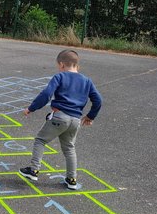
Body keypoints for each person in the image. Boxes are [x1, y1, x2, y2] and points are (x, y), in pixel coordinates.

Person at [19, 50, 102, 190]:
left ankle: (33, 170)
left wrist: (31, 108)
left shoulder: (60, 76)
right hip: (75, 120)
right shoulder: (87, 81)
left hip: (60, 116)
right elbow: (98, 100)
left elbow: (46, 94)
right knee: (69, 148)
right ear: (77, 66)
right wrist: (90, 116)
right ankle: (71, 179)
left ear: (62, 65)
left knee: (40, 140)